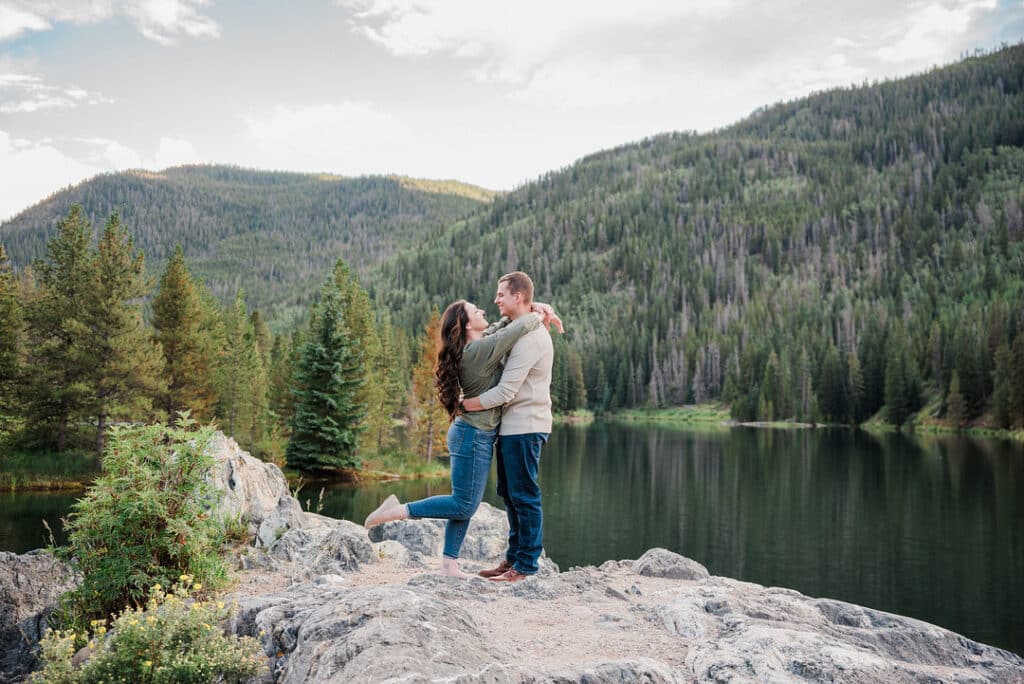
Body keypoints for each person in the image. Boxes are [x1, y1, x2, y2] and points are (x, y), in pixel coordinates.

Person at [363, 298, 561, 577]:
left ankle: (449, 565)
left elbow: (501, 327)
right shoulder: (478, 350)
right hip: (473, 435)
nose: (484, 310)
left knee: (463, 502)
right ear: (467, 325)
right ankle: (399, 510)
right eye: (476, 311)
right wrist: (539, 313)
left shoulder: (477, 344)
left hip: (472, 432)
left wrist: (535, 307)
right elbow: (512, 330)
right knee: (464, 503)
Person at [462, 271, 556, 583]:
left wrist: (463, 404)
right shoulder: (521, 329)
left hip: (526, 426)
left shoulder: (530, 338)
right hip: (513, 426)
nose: (496, 299)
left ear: (517, 297)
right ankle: (514, 558)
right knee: (510, 492)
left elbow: (505, 391)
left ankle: (526, 565)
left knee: (524, 494)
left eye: (501, 294)